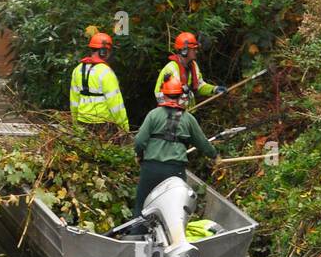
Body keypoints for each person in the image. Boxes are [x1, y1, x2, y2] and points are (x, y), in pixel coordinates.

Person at [132, 75, 218, 216]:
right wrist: (214, 155)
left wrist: (139, 155)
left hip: (151, 168)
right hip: (175, 171)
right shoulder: (188, 119)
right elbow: (202, 142)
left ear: (163, 94)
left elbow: (140, 140)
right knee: (173, 209)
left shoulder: (153, 115)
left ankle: (136, 234)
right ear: (180, 95)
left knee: (142, 205)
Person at [69, 32, 129, 134]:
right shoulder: (106, 72)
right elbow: (115, 103)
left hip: (82, 121)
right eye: (108, 51)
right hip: (103, 124)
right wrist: (124, 127)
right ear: (103, 51)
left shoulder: (77, 70)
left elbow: (74, 99)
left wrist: (75, 123)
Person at [154, 32, 227, 109]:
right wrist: (171, 110)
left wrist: (214, 89)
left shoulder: (193, 66)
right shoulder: (170, 69)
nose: (196, 51)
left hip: (188, 113)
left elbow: (199, 85)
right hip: (173, 116)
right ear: (184, 51)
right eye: (194, 49)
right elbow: (158, 94)